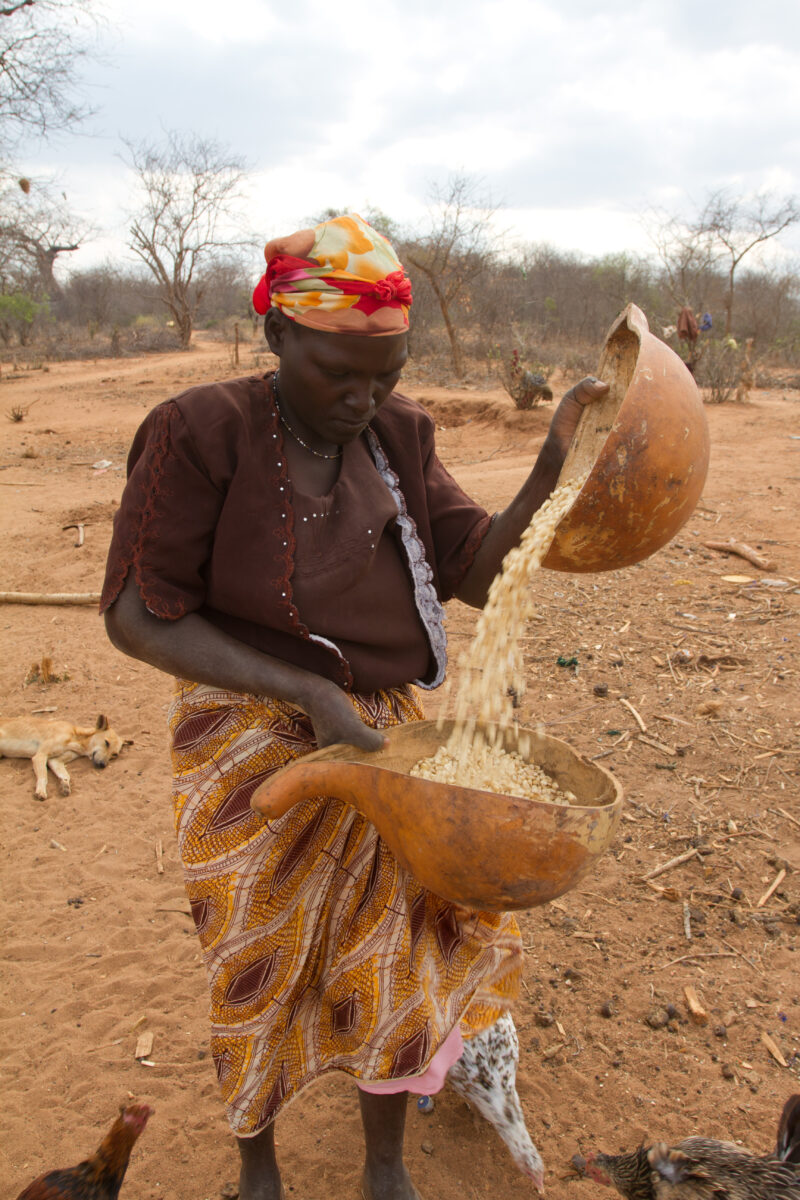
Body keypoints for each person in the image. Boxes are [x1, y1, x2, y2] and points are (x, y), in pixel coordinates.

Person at [102, 213, 608, 1200]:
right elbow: (134, 613)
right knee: (258, 948)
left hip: (380, 735)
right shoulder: (199, 432)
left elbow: (472, 569)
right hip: (246, 732)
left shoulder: (398, 435)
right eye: (338, 371)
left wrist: (550, 463)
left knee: (395, 947)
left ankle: (383, 1162)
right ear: (278, 335)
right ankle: (257, 1163)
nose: (362, 396)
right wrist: (301, 690)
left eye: (383, 372)